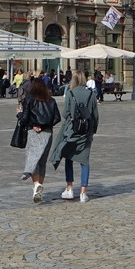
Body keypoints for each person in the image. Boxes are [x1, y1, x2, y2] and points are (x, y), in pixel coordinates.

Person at [51, 71, 99, 202]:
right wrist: (93, 130)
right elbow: (95, 115)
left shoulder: (70, 94)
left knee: (68, 158)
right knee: (85, 161)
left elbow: (65, 113)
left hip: (72, 131)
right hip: (86, 131)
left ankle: (70, 188)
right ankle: (83, 192)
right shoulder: (91, 94)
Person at [21, 77, 61, 203]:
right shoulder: (51, 100)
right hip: (47, 133)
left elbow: (24, 118)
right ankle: (38, 187)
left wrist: (20, 115)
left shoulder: (28, 99)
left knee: (33, 159)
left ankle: (36, 184)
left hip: (33, 132)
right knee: (42, 162)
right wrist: (45, 126)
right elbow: (57, 118)